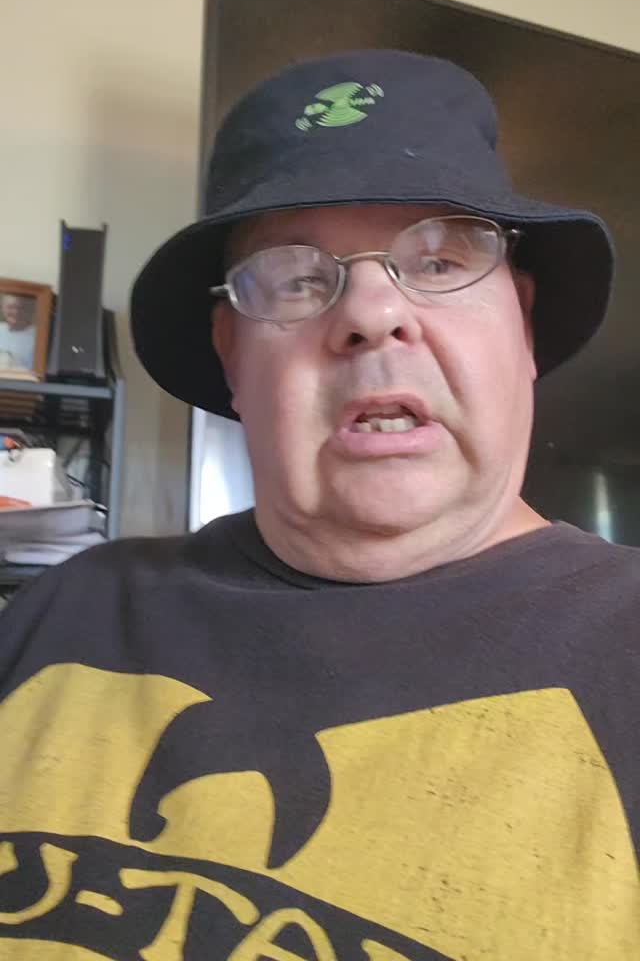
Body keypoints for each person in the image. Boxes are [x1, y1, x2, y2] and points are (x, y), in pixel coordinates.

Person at [0, 50, 638, 960]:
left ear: (523, 324)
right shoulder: (68, 608)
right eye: (296, 277)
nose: (372, 316)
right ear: (231, 350)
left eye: (440, 260)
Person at [0, 293, 36, 372]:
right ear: (2, 308)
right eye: (10, 307)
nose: (16, 311)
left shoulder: (38, 335)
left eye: (20, 307)